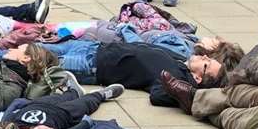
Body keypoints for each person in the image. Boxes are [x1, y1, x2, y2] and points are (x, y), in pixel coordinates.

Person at [35, 37, 225, 107]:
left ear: (198, 78)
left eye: (207, 64)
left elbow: (158, 95)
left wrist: (187, 89)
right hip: (95, 47)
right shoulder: (181, 61)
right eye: (209, 58)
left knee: (32, 57)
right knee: (33, 48)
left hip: (93, 64)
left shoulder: (178, 79)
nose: (204, 57)